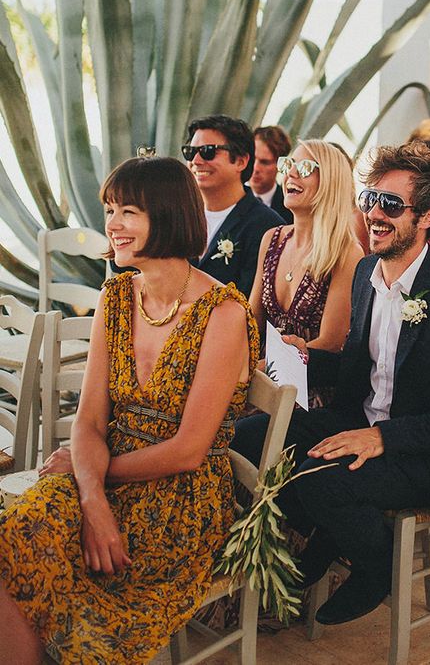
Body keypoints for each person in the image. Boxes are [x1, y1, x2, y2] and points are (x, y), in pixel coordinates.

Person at [231, 141, 430, 626]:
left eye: (391, 205)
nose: (374, 213)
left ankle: (375, 566)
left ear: (427, 217)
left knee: (320, 481)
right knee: (249, 440)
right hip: (361, 418)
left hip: (426, 453)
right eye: (370, 199)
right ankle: (333, 537)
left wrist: (381, 438)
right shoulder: (364, 274)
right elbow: (363, 368)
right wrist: (303, 356)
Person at [0, 157, 257, 663]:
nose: (111, 225)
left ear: (167, 216)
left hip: (178, 501)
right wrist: (92, 498)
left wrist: (87, 474)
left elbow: (187, 451)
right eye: (111, 210)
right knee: (9, 540)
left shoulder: (224, 314)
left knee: (26, 550)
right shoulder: (116, 295)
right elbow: (91, 420)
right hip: (103, 473)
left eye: (128, 211)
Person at [249, 139, 364, 407]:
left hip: (309, 392)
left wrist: (259, 370)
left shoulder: (346, 252)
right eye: (289, 164)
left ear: (331, 182)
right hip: (257, 381)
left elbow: (330, 343)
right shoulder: (272, 239)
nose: (291, 173)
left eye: (305, 167)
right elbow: (251, 320)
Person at [184, 114, 283, 296]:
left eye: (208, 151)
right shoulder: (179, 216)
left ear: (241, 161)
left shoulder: (267, 226)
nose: (196, 161)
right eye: (190, 152)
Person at [249, 125, 294, 224]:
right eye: (252, 158)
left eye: (264, 162)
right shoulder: (227, 198)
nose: (255, 168)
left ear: (280, 165)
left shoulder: (290, 210)